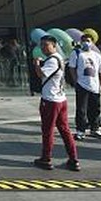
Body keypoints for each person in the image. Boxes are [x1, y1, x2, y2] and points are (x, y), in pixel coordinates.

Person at [32, 35, 80, 171]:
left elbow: (41, 75)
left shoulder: (53, 60)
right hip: (60, 99)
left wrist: (36, 64)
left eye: (46, 45)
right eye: (41, 45)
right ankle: (73, 158)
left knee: (48, 130)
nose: (43, 47)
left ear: (54, 45)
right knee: (65, 130)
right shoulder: (58, 58)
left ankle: (46, 158)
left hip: (51, 100)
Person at [68, 33, 101, 141]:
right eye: (84, 40)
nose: (86, 42)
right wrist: (76, 81)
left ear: (92, 42)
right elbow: (72, 68)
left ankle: (95, 128)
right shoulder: (76, 53)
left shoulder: (96, 55)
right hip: (82, 85)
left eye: (88, 40)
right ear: (81, 42)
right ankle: (80, 130)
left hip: (95, 86)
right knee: (81, 109)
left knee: (95, 108)